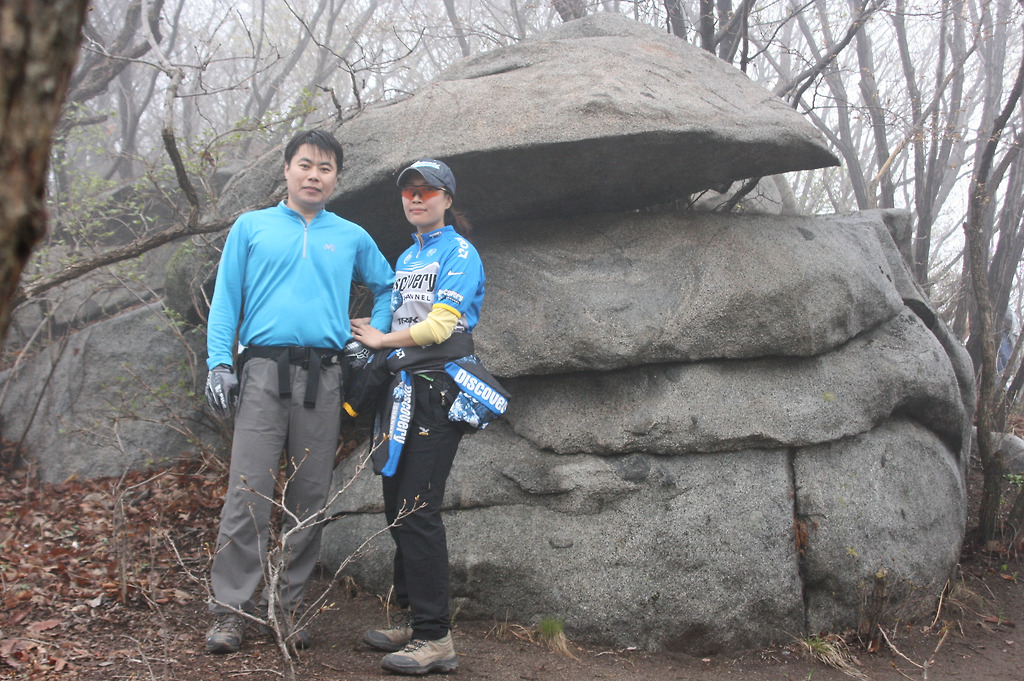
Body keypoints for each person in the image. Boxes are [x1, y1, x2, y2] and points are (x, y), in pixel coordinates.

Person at [203, 129, 395, 654]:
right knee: (248, 492)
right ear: (286, 169)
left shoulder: (350, 235)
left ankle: (287, 610)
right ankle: (230, 613)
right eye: (306, 164)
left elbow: (389, 285)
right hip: (263, 372)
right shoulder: (251, 227)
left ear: (337, 177)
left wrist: (371, 339)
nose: (314, 175)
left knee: (308, 497)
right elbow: (226, 301)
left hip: (324, 376)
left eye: (326, 168)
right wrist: (219, 362)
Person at [349, 158, 488, 675]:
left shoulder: (460, 251)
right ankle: (414, 619)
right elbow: (395, 311)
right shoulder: (407, 256)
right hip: (400, 386)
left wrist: (384, 340)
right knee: (396, 505)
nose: (416, 199)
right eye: (409, 192)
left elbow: (440, 327)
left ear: (447, 200)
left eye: (428, 192)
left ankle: (436, 639)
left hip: (438, 387)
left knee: (419, 508)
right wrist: (371, 330)